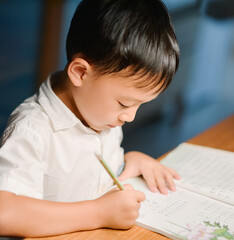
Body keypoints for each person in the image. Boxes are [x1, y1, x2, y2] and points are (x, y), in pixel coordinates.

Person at [0, 0, 180, 237]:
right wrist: (98, 213)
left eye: (140, 104)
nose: (130, 116)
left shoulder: (100, 114)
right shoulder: (32, 129)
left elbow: (87, 174)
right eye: (124, 103)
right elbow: (5, 214)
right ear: (80, 72)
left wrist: (128, 162)